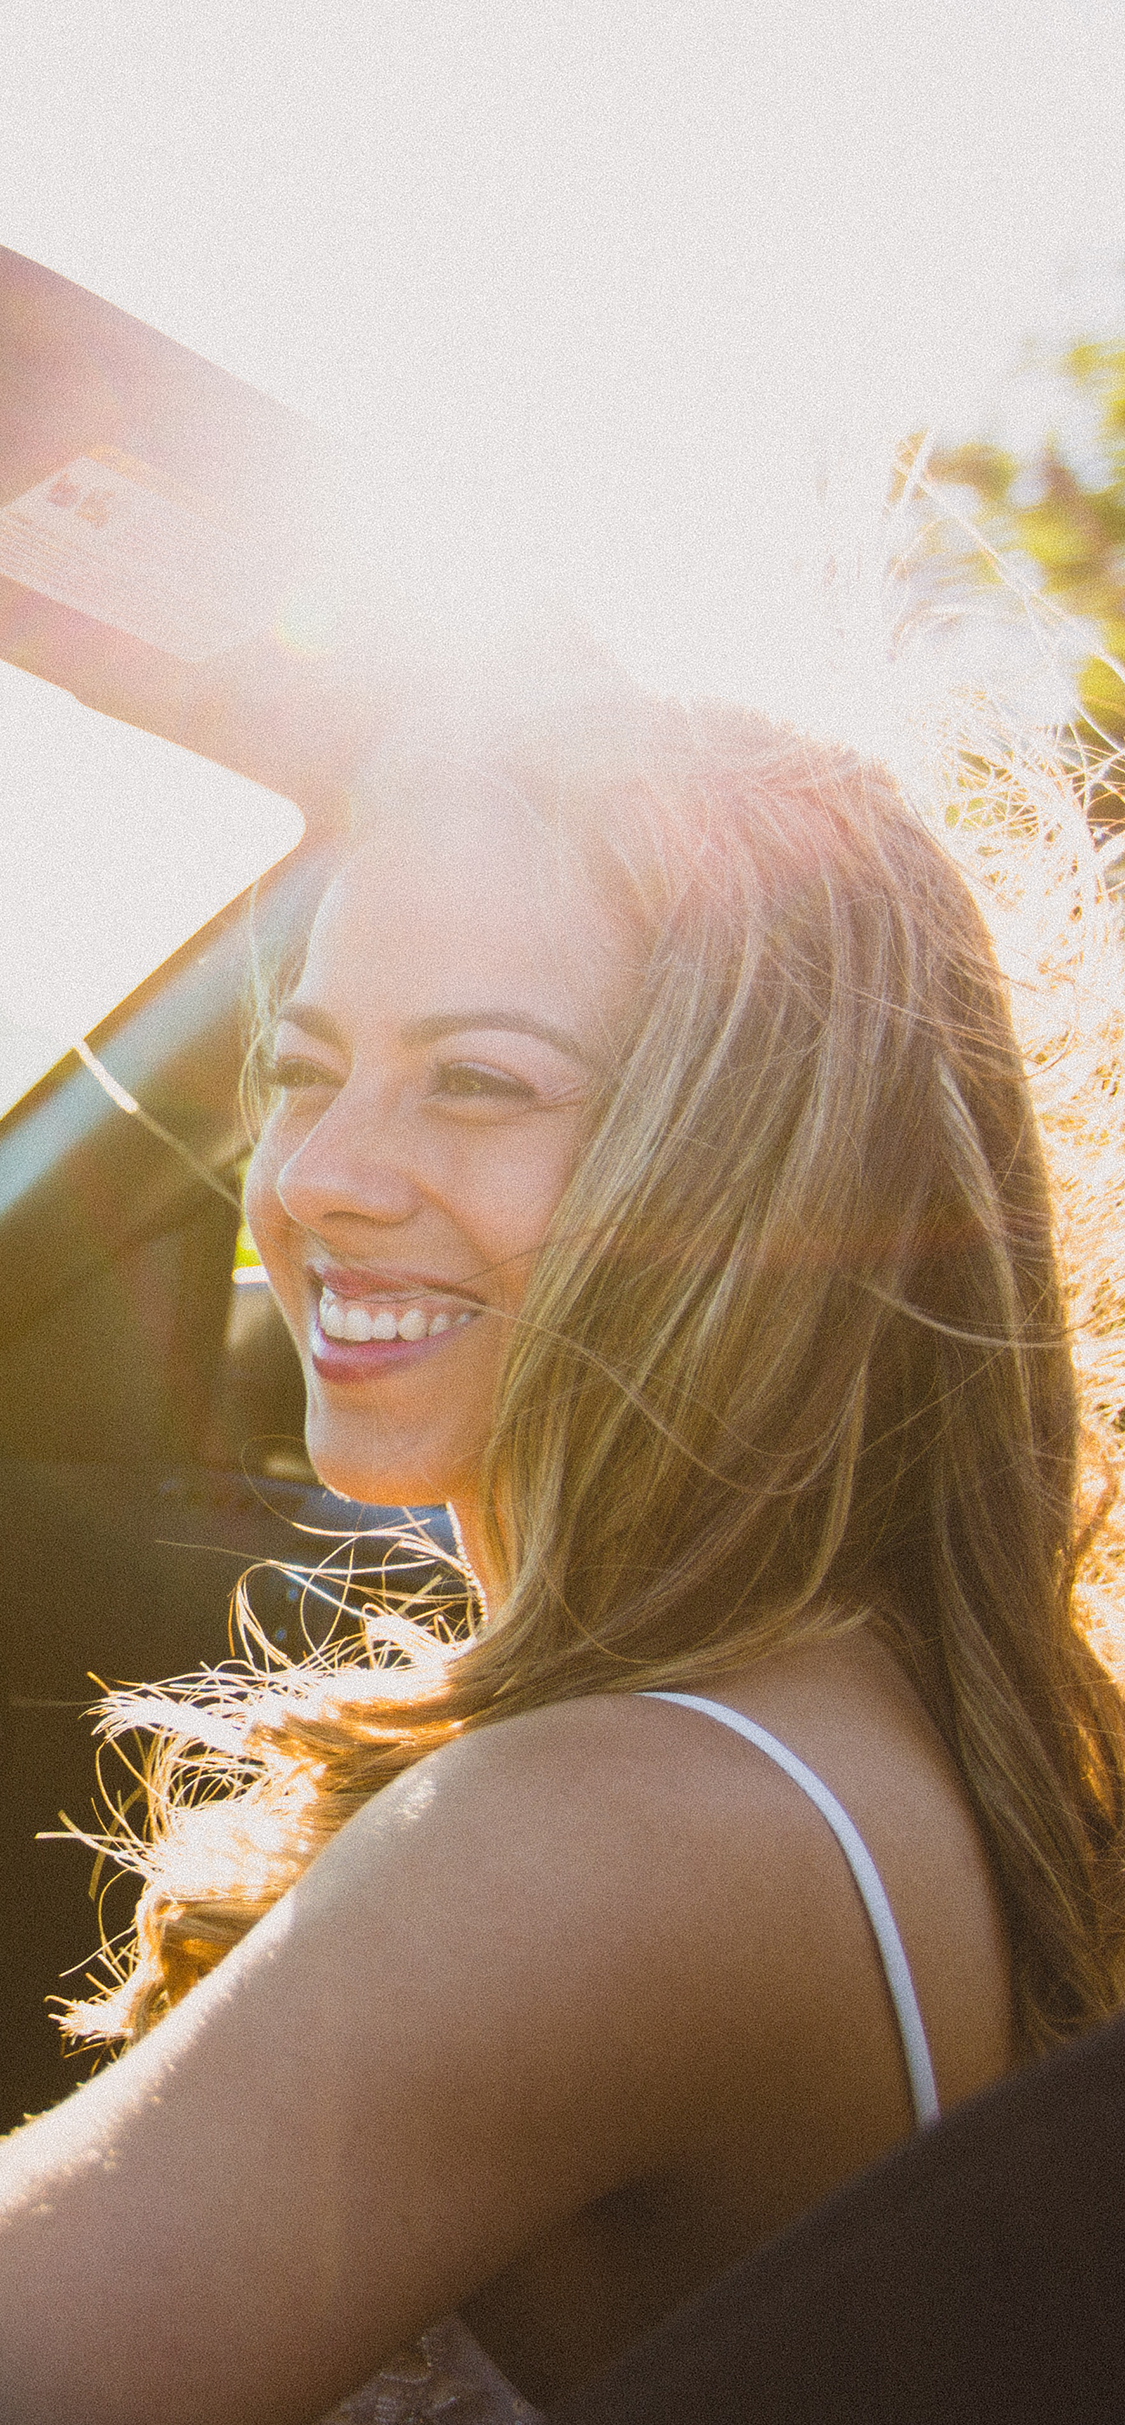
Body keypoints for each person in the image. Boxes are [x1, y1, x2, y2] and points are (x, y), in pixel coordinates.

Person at [2, 673, 1124, 2425]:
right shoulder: (843, 1711)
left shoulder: (611, 1828)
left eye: (478, 1082)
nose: (317, 1178)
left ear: (761, 1184)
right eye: (303, 1069)